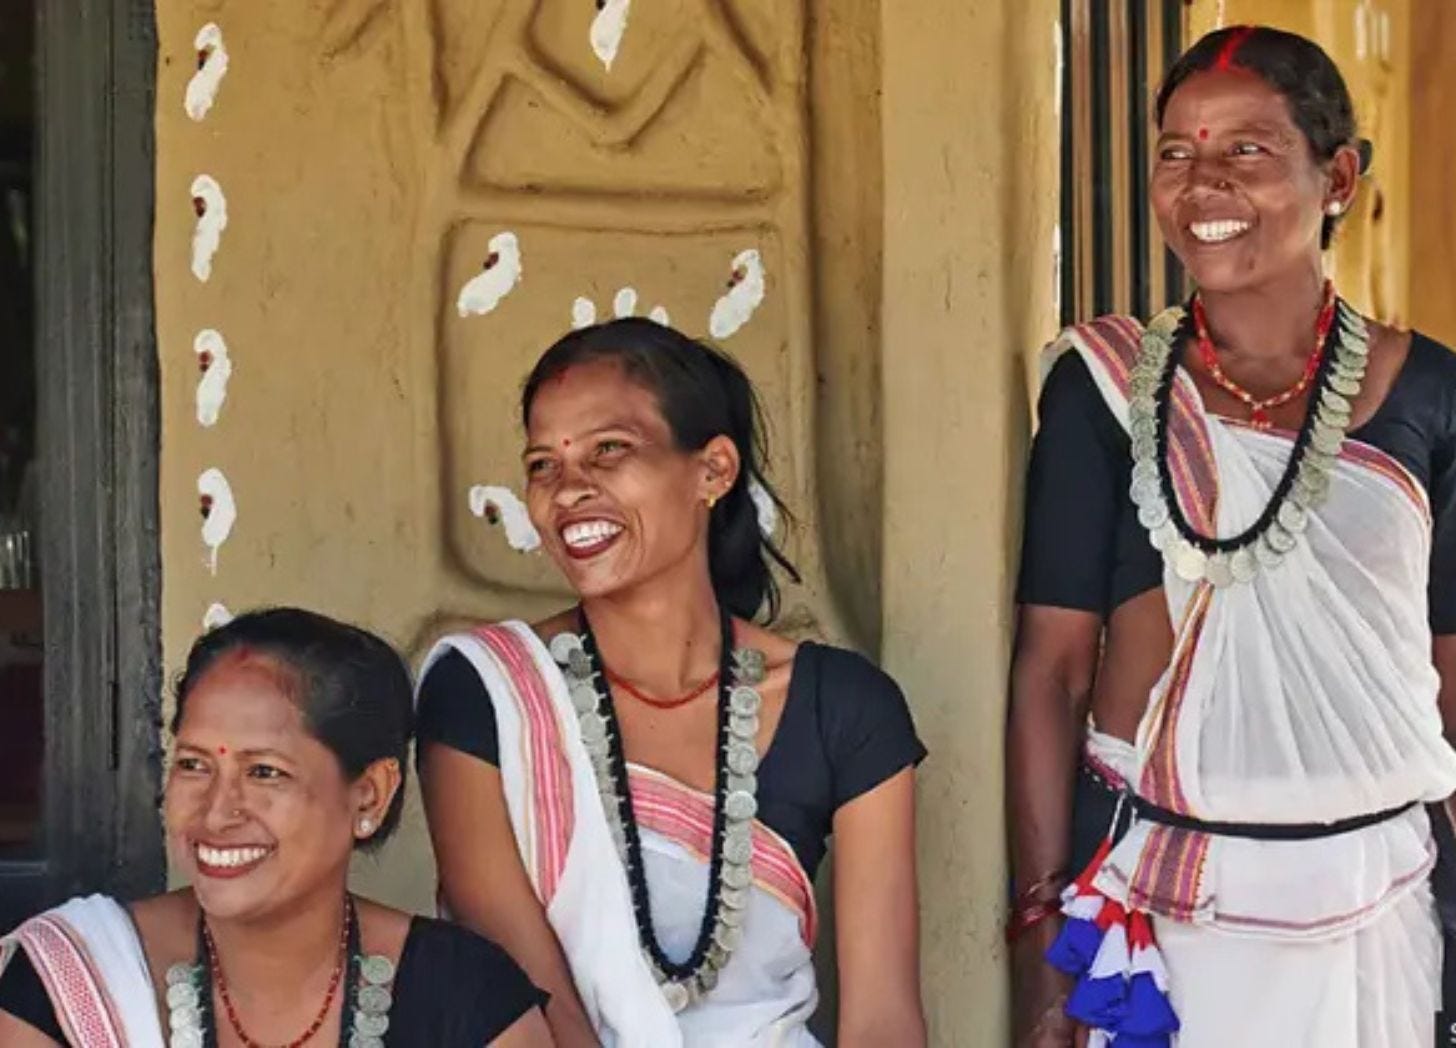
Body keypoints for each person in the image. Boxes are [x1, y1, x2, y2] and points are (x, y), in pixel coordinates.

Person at [1006, 25, 1456, 1048]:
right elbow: (1051, 672)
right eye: (1175, 153)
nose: (1202, 184)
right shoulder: (1104, 391)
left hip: (1377, 905)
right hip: (1164, 915)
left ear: (1336, 175)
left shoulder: (1431, 396)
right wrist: (1045, 958)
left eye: (1246, 150)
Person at [415, 318, 927, 1046]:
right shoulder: (487, 693)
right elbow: (521, 992)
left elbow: (883, 1019)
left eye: (610, 451)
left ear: (713, 471)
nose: (568, 492)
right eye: (542, 465)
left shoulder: (843, 706)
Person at [0, 607, 552, 1047]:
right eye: (193, 764)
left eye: (265, 772)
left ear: (370, 794)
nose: (216, 813)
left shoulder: (466, 998)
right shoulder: (70, 985)